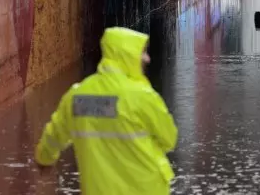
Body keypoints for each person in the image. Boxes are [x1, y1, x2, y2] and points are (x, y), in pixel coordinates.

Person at [34, 27, 178, 195]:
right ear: (127, 55)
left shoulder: (78, 96)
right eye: (142, 52)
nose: (147, 58)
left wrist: (44, 158)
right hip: (146, 188)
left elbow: (55, 135)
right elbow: (169, 139)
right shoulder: (143, 97)